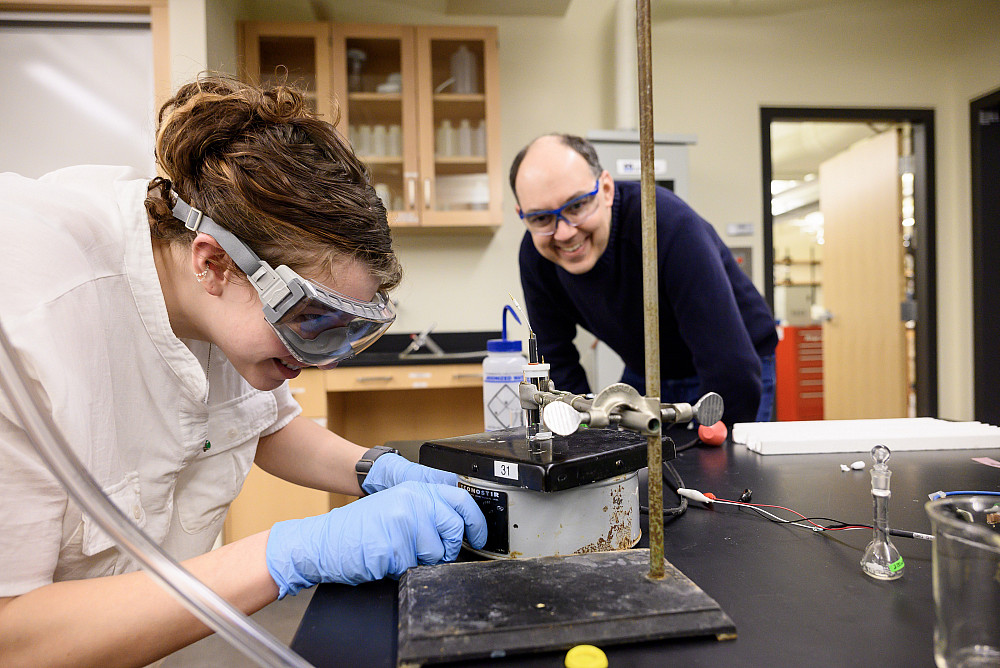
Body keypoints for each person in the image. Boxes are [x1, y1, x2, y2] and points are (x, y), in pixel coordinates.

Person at [0, 74, 486, 666]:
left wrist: (376, 470)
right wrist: (291, 553)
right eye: (311, 321)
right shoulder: (28, 320)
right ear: (215, 265)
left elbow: (264, 425)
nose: (320, 362)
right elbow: (13, 635)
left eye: (345, 332)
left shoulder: (206, 276)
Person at [511, 134, 778, 427]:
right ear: (522, 215)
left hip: (735, 364)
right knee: (623, 462)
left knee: (712, 468)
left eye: (576, 206)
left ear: (607, 190)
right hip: (647, 371)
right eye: (541, 219)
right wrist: (580, 430)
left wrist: (711, 449)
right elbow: (557, 361)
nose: (563, 233)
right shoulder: (537, 256)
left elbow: (731, 369)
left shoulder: (666, 224)